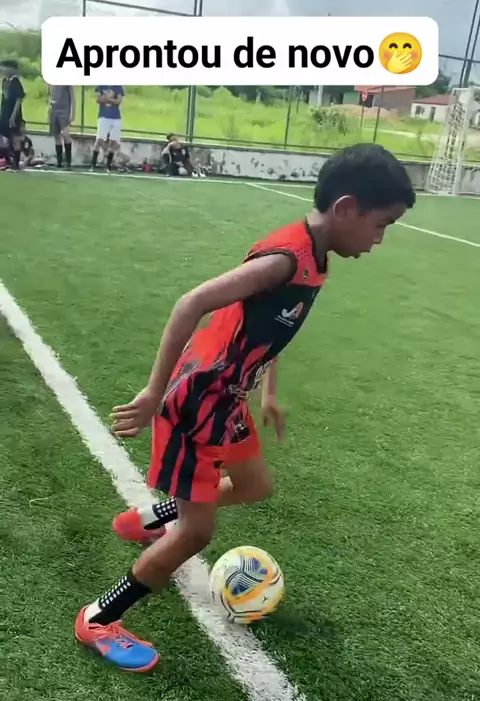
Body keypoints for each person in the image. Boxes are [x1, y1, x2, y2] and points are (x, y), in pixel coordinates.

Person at [75, 143, 416, 672]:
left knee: (255, 485)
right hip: (198, 401)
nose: (379, 238)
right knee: (197, 533)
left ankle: (149, 519)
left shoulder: (315, 257)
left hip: (229, 397)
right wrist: (153, 391)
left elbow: (266, 331)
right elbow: (191, 303)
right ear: (347, 208)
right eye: (381, 224)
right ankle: (99, 618)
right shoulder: (285, 260)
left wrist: (268, 391)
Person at [91, 85, 124, 172]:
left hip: (116, 117)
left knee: (114, 142)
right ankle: (93, 164)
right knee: (99, 139)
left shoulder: (118, 86)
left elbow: (118, 101)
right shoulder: (101, 86)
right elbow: (98, 99)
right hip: (103, 116)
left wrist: (107, 98)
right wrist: (111, 99)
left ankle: (108, 166)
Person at [0, 59, 25, 171]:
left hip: (13, 114)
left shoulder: (15, 82)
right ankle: (7, 160)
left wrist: (13, 116)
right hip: (4, 112)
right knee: (4, 137)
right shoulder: (5, 81)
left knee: (15, 138)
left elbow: (18, 100)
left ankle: (16, 163)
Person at [48, 85, 75, 169]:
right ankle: (59, 162)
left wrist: (72, 113)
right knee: (56, 135)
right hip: (53, 108)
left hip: (64, 109)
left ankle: (68, 162)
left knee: (65, 133)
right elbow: (50, 94)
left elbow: (72, 97)